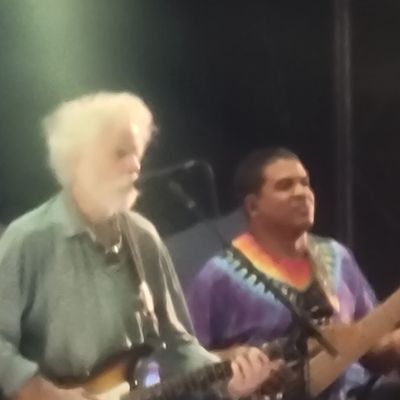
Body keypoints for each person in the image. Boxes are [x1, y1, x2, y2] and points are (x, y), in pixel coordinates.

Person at [0, 93, 279, 400]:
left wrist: (228, 383)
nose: (135, 165)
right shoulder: (28, 238)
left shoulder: (142, 236)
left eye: (137, 153)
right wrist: (40, 391)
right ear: (78, 160)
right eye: (120, 153)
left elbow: (177, 344)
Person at [187, 147, 400, 399]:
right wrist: (235, 361)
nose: (302, 193)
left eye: (305, 183)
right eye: (285, 186)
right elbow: (186, 364)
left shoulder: (338, 256)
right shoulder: (218, 276)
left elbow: (374, 351)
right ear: (253, 206)